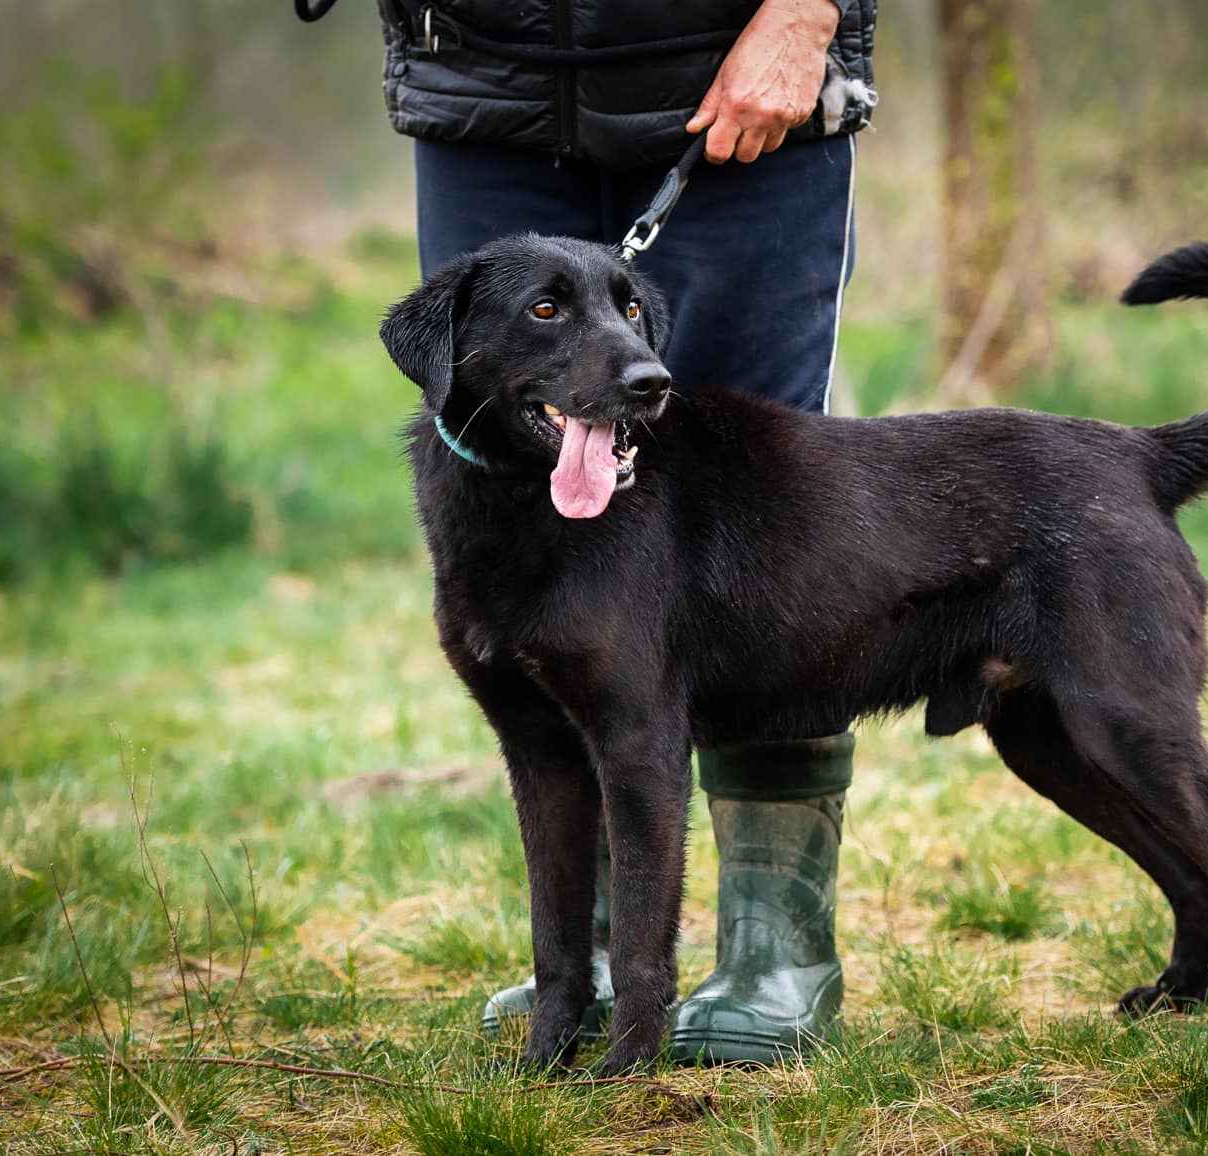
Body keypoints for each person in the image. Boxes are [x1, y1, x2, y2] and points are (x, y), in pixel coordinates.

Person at [352, 0, 878, 1065]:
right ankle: (589, 955)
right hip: (480, 80)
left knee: (766, 532)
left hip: (734, 81)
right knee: (498, 452)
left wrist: (807, 9)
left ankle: (773, 949)